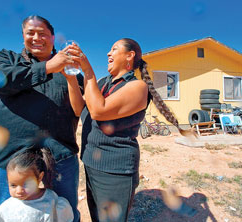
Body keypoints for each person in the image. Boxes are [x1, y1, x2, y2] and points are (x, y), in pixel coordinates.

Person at [64, 38, 185, 222]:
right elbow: (79, 109)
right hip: (91, 162)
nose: (108, 53)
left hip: (115, 170)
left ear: (130, 55)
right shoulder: (104, 82)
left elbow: (99, 110)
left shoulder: (138, 87)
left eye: (114, 49)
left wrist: (87, 69)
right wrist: (71, 77)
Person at [0, 15, 82, 221]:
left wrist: (70, 74)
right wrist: (47, 67)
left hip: (60, 154)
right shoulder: (7, 59)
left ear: (53, 38)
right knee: (5, 213)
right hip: (11, 156)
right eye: (30, 33)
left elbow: (78, 109)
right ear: (23, 37)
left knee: (65, 211)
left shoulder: (70, 69)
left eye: (43, 33)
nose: (37, 37)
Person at [0, 146, 74, 222]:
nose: (19, 191)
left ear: (40, 177)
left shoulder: (52, 200)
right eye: (13, 185)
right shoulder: (6, 209)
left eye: (26, 184)